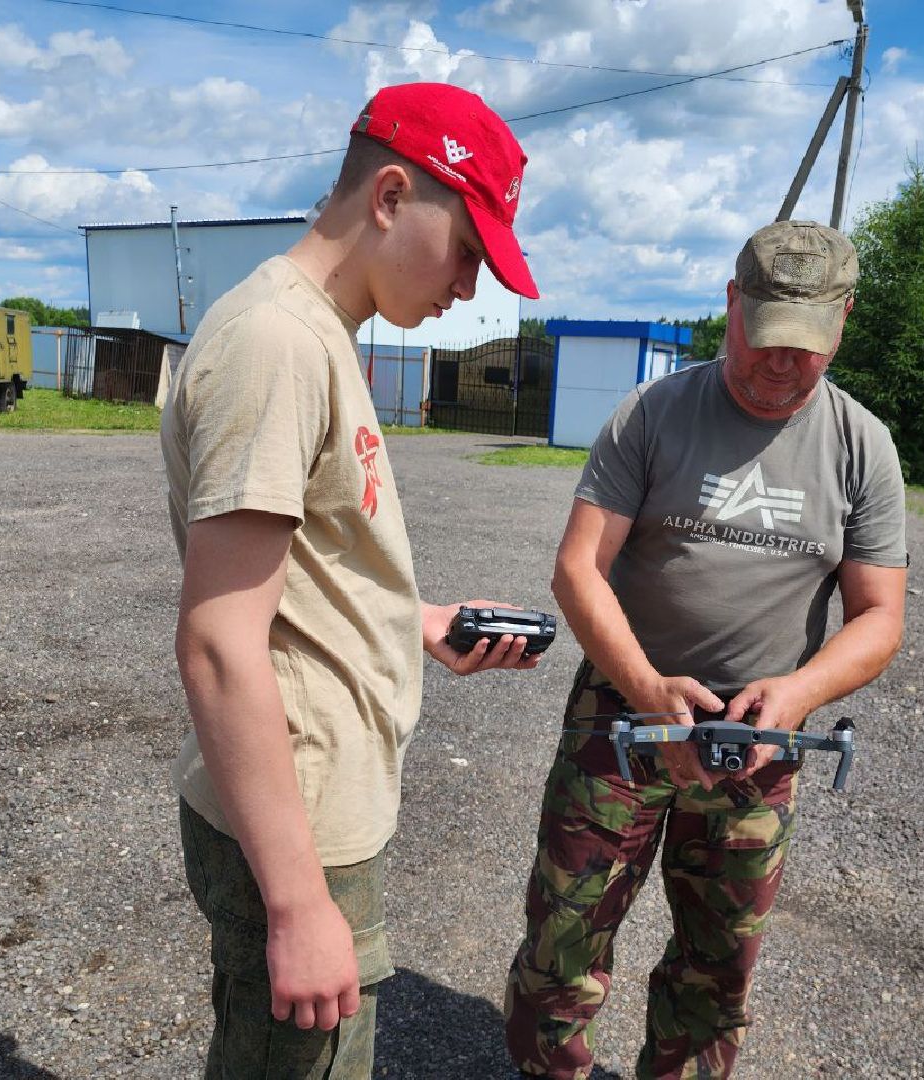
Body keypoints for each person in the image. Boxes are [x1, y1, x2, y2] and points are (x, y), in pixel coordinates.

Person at [160, 82, 541, 1079]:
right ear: (388, 195)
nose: (472, 286)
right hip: (300, 829)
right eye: (468, 250)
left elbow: (300, 572)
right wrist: (297, 906)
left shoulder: (319, 333)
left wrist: (413, 620)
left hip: (313, 809)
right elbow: (217, 641)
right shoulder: (279, 344)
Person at [504, 220, 908, 1079]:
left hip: (760, 740)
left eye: (804, 348)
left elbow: (879, 617)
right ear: (730, 305)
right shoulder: (651, 414)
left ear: (844, 320)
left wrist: (796, 696)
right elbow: (579, 568)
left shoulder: (862, 446)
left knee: (718, 973)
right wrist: (648, 687)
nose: (778, 363)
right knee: (561, 948)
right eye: (762, 338)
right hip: (624, 718)